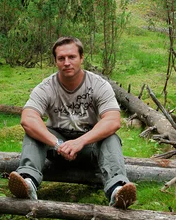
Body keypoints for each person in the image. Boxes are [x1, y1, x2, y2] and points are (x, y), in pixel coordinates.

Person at [8, 36, 136, 209]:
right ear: (55, 61)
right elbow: (28, 118)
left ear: (82, 58)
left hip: (89, 146)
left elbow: (113, 120)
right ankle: (28, 181)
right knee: (33, 132)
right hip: (56, 147)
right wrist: (57, 144)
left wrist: (80, 142)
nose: (66, 62)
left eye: (72, 57)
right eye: (61, 58)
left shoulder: (99, 85)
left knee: (111, 137)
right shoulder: (46, 87)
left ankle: (117, 190)